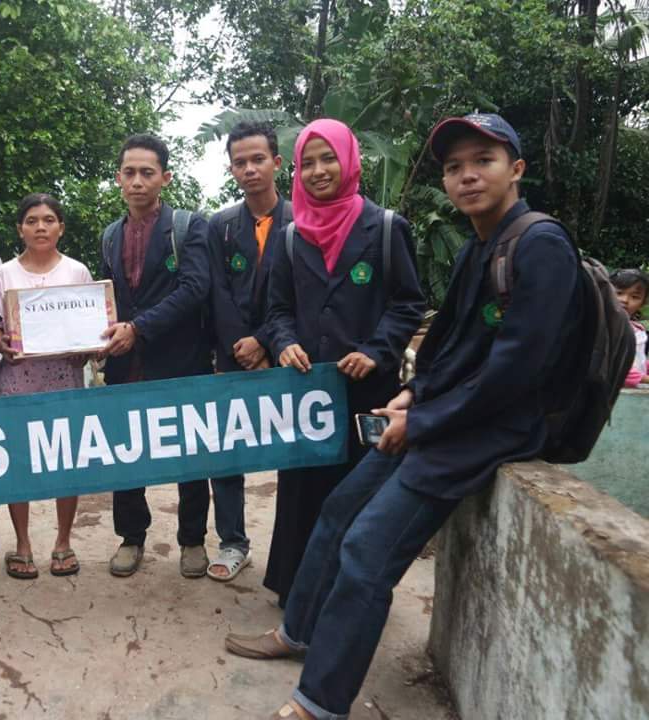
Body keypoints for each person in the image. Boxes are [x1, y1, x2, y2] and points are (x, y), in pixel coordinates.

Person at [224, 113, 582, 720]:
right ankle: (297, 631)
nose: (467, 176)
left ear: (516, 169)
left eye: (483, 162)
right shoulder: (480, 245)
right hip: (439, 416)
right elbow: (449, 346)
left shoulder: (539, 244)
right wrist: (415, 394)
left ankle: (319, 702)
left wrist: (421, 421)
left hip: (482, 433)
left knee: (367, 551)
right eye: (455, 167)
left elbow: (515, 371)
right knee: (337, 510)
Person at [252, 119, 425, 607]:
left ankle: (347, 600)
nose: (318, 171)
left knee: (358, 497)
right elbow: (277, 310)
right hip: (306, 392)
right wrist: (285, 343)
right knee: (302, 494)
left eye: (328, 158)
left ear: (350, 162)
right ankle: (295, 594)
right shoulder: (290, 238)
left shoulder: (386, 228)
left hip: (367, 393)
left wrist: (375, 349)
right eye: (307, 163)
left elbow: (409, 303)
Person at [99, 134, 213, 578]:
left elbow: (195, 288)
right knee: (126, 453)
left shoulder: (188, 227)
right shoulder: (110, 235)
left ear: (165, 177)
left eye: (147, 173)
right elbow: (107, 301)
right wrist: (98, 337)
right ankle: (131, 537)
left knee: (191, 455)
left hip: (181, 361)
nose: (137, 181)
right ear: (118, 178)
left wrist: (139, 329)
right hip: (125, 366)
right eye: (129, 172)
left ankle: (193, 540)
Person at [204, 121, 291, 582]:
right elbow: (217, 293)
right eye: (240, 162)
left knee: (295, 456)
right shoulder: (220, 227)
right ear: (231, 169)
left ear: (277, 162)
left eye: (258, 159)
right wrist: (240, 346)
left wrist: (266, 341)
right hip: (232, 355)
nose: (250, 169)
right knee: (226, 453)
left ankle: (294, 549)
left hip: (288, 355)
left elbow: (302, 295)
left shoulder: (302, 222)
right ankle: (233, 542)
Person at [0, 193, 91, 579]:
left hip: (65, 378)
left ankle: (63, 541)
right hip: (17, 378)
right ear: (20, 229)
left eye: (48, 220)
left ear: (61, 227)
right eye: (31, 221)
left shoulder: (78, 272)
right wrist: (2, 344)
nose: (40, 227)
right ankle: (23, 544)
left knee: (66, 459)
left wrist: (86, 350)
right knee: (19, 461)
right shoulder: (4, 274)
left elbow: (90, 324)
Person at [610, 269, 648, 387]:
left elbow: (638, 360)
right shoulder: (606, 327)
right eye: (619, 293)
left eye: (634, 297)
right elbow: (615, 367)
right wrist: (645, 379)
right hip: (614, 392)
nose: (625, 300)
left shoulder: (637, 329)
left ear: (643, 303)